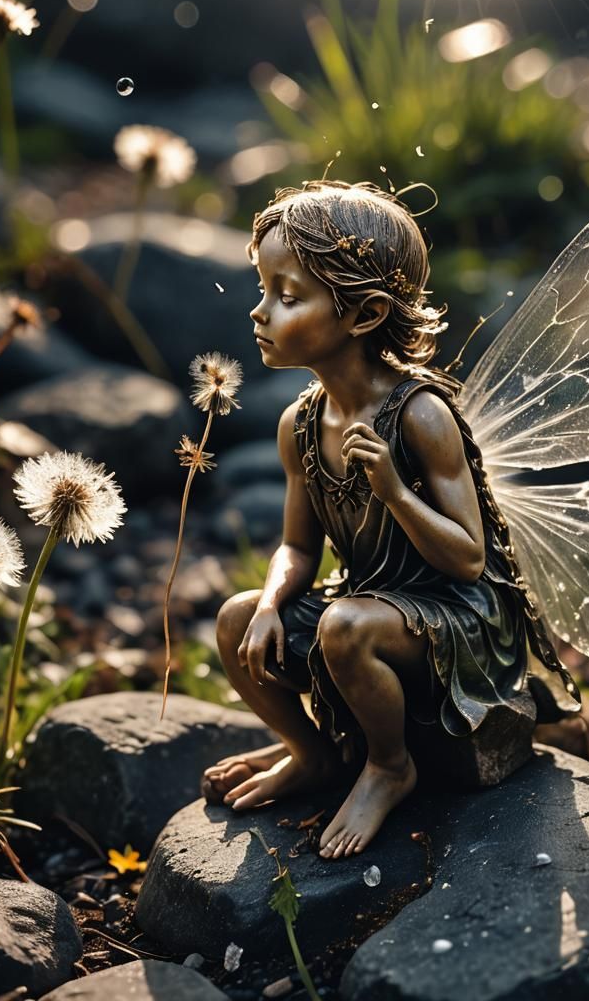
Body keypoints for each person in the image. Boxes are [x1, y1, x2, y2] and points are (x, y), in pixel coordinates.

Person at [200, 179, 566, 860]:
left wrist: (395, 489)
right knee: (234, 618)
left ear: (364, 314)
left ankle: (390, 766)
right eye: (263, 289)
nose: (259, 311)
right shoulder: (300, 425)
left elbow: (468, 559)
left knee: (343, 627)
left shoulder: (421, 416)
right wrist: (272, 604)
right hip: (370, 605)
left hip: (458, 619)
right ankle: (312, 754)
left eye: (287, 296)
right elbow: (297, 548)